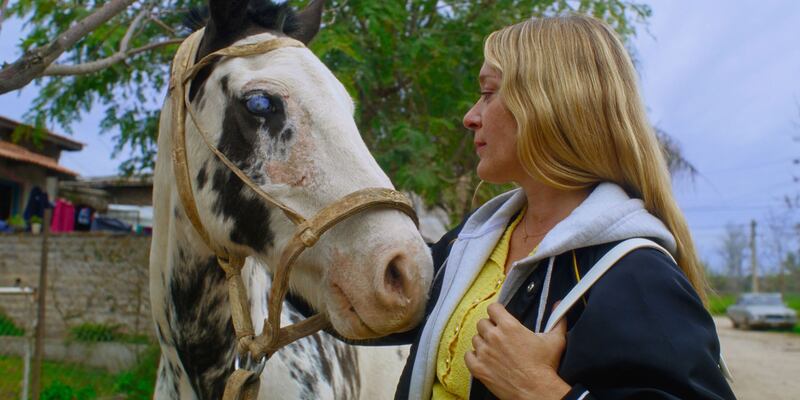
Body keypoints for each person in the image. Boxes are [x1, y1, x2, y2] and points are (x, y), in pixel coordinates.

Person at [290, 13, 735, 400]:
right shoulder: (477, 241)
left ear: (550, 104)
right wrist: (267, 261)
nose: (470, 116)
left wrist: (544, 391)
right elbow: (378, 304)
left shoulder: (634, 274)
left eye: (488, 92)